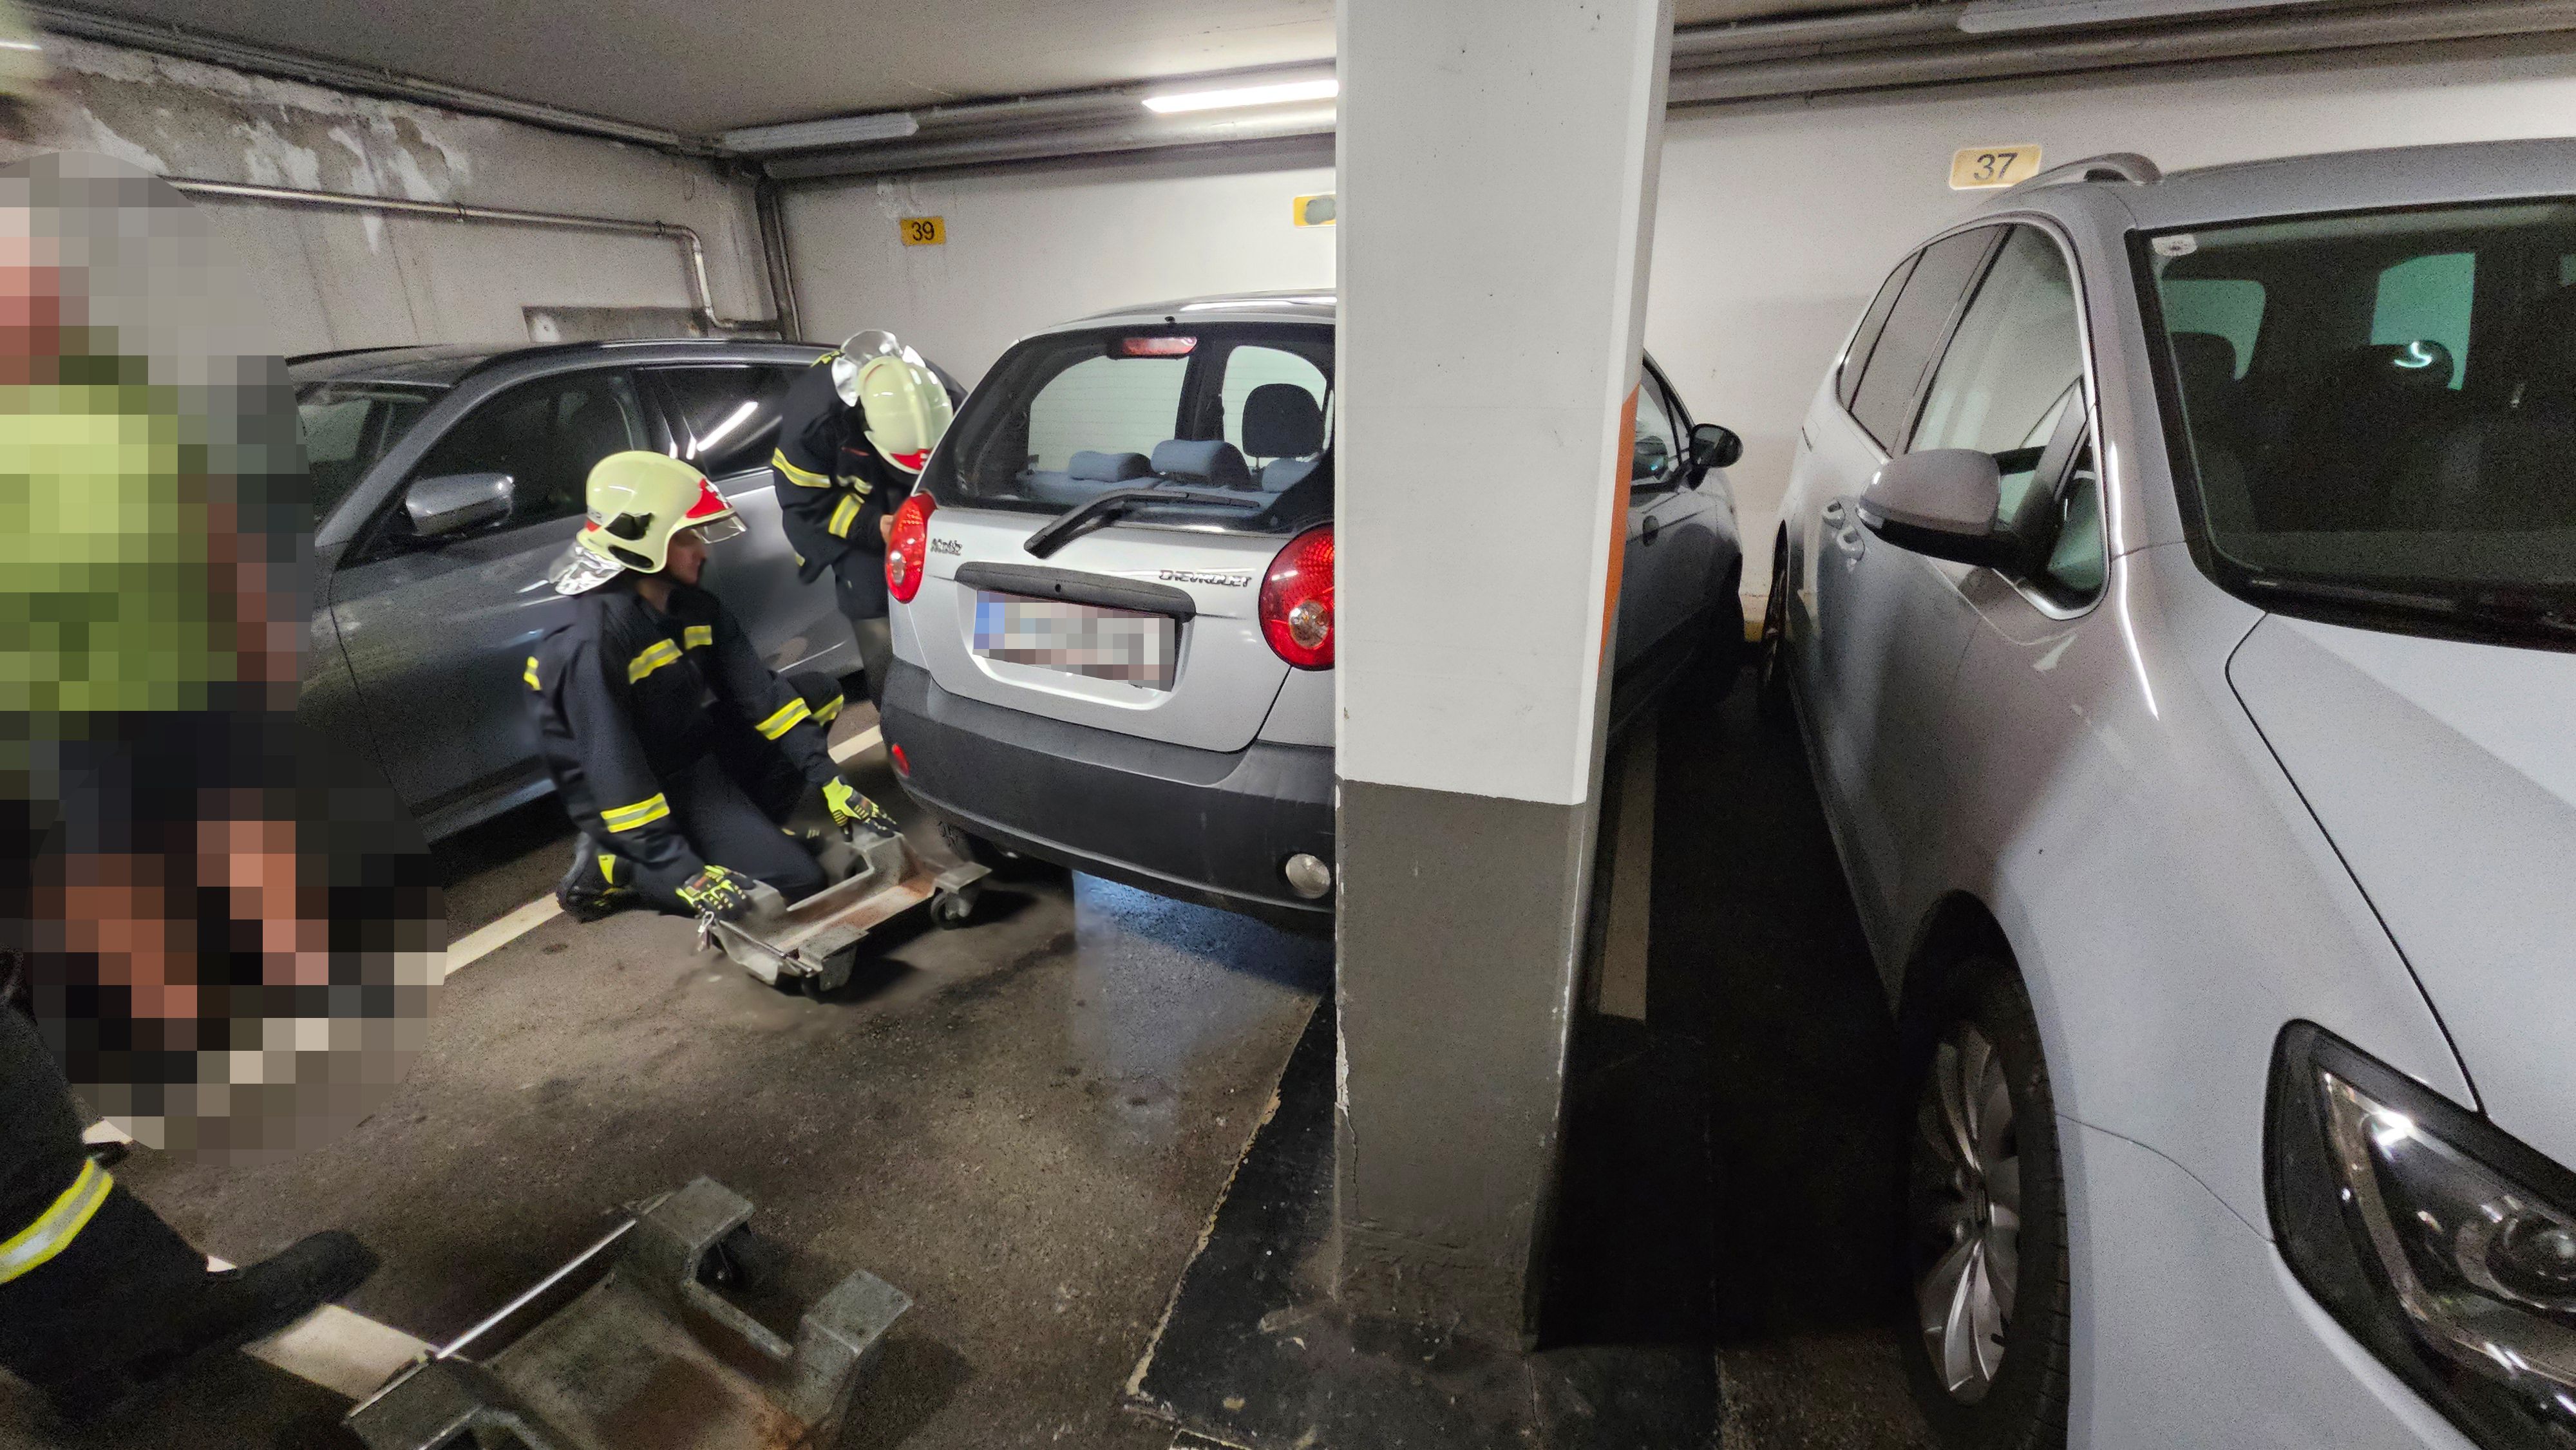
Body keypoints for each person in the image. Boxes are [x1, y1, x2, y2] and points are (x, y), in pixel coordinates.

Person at [534, 451, 901, 921]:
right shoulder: (592, 640)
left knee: (816, 694)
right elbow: (616, 772)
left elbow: (762, 697)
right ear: (641, 540)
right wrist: (684, 872)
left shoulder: (693, 607)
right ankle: (615, 868)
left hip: (694, 759)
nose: (702, 550)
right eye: (686, 537)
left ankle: (745, 835)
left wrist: (830, 781)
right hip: (633, 794)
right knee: (796, 881)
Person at [769, 330, 955, 706]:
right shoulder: (814, 420)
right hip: (862, 533)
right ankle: (894, 714)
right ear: (865, 425)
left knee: (946, 605)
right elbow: (806, 504)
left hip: (924, 513)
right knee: (876, 622)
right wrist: (875, 526)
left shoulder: (939, 392)